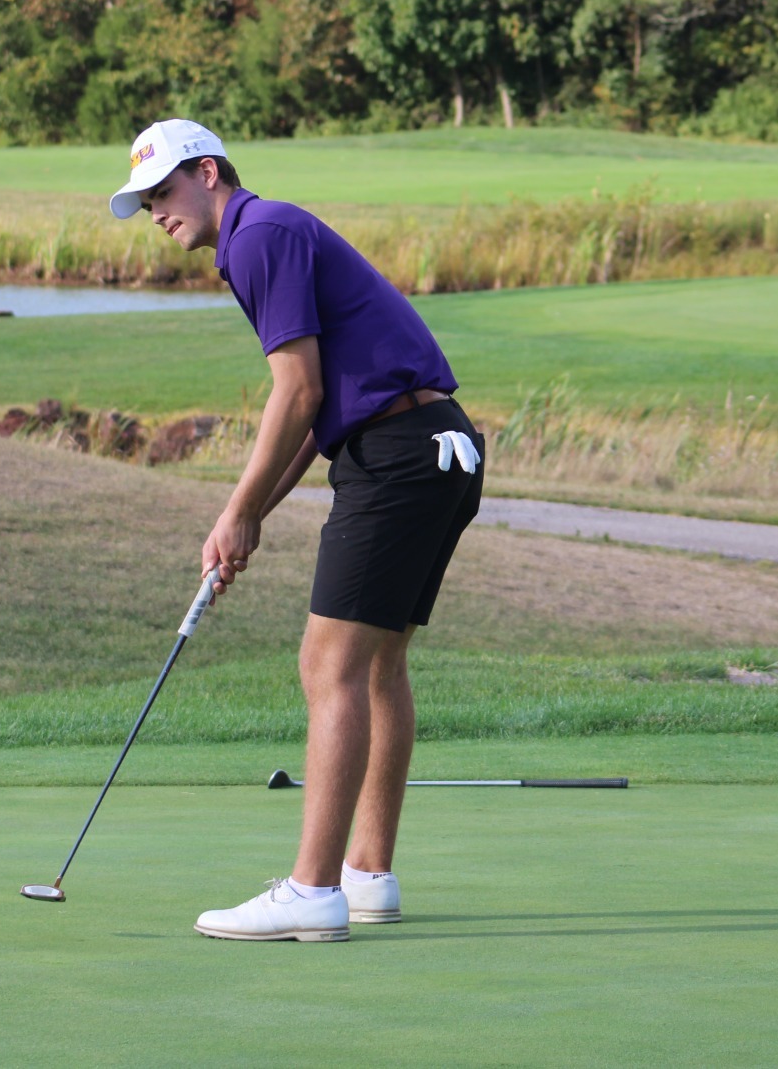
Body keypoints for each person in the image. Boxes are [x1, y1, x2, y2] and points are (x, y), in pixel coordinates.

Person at [107, 118, 484, 942]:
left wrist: (237, 509)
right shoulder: (268, 233)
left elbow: (298, 392)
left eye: (163, 192)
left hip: (397, 453)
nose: (156, 213)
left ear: (207, 172)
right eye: (144, 202)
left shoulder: (256, 233)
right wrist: (249, 517)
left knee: (329, 662)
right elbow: (319, 413)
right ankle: (367, 873)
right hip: (442, 447)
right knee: (379, 663)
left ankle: (313, 890)